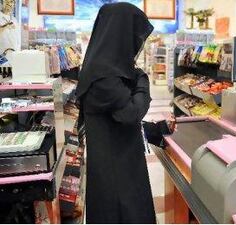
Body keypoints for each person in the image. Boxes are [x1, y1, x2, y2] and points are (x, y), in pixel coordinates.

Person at [76, 3, 156, 223]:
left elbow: (115, 123)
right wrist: (142, 79)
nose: (137, 43)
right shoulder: (105, 77)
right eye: (134, 36)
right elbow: (130, 113)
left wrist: (158, 129)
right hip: (118, 179)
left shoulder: (102, 69)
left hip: (119, 166)